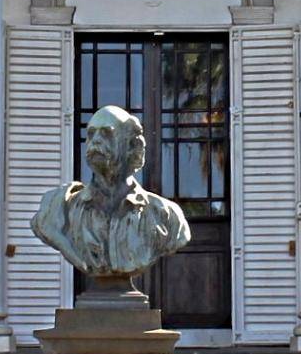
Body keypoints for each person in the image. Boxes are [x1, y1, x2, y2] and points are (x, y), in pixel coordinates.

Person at [32, 105, 191, 280]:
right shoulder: (62, 209)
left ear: (132, 145)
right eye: (91, 134)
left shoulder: (165, 216)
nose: (96, 141)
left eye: (106, 133)